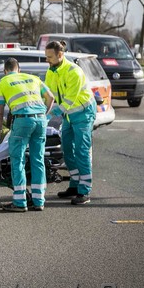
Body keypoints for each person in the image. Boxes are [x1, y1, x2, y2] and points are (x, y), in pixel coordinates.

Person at [0, 58, 54, 212]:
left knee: (18, 160)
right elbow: (51, 98)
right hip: (41, 120)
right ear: (19, 69)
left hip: (22, 121)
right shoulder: (33, 78)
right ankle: (38, 200)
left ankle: (20, 201)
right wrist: (44, 115)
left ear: (5, 71)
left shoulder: (1, 83)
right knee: (38, 160)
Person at [44, 40, 96, 205]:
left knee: (81, 151)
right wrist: (41, 109)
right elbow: (50, 94)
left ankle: (84, 191)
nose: (47, 60)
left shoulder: (74, 72)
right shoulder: (52, 71)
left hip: (83, 114)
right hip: (69, 116)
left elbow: (68, 101)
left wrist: (49, 116)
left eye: (50, 57)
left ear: (60, 55)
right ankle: (74, 185)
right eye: (46, 57)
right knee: (67, 150)